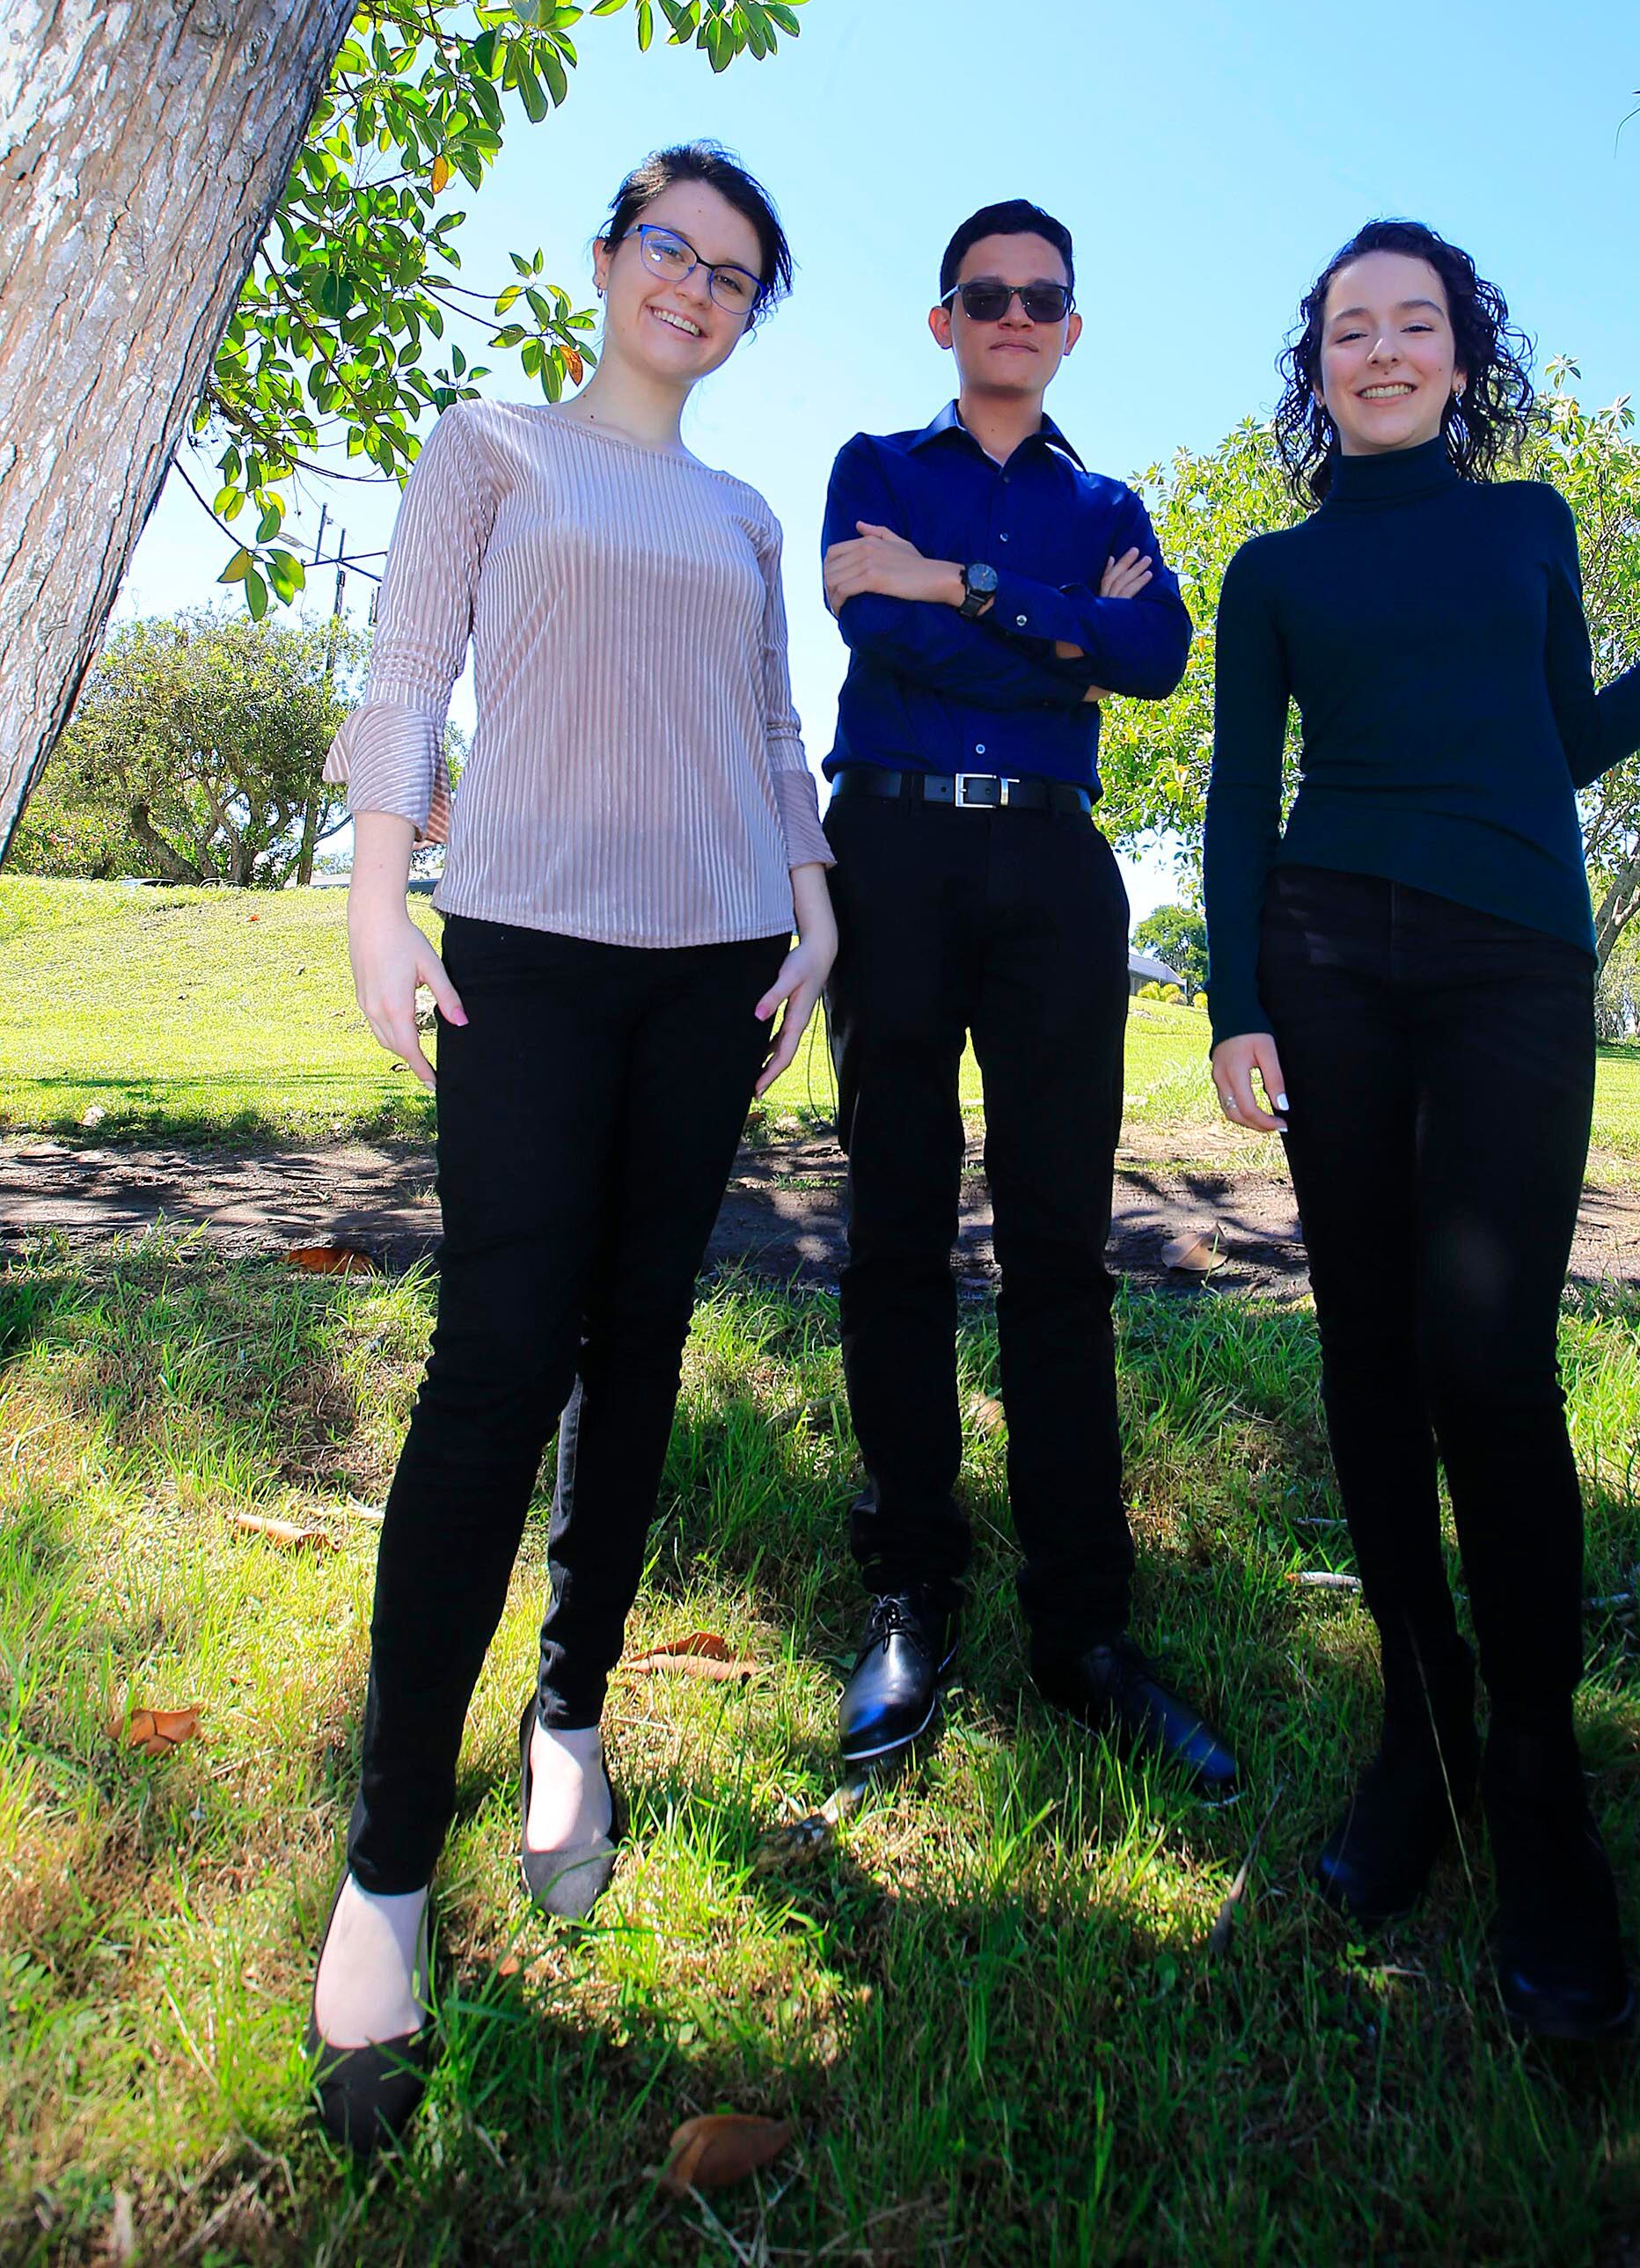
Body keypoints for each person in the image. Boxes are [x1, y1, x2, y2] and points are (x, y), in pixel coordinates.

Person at [306, 143, 836, 2150]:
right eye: (670, 248)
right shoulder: (490, 448)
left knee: (642, 1344)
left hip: (715, 966)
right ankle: (385, 1871)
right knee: (495, 1364)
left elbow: (773, 731)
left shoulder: (743, 515)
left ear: (748, 315)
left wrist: (814, 907)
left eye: (735, 273)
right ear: (609, 259)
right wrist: (378, 899)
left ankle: (574, 1714)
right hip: (523, 951)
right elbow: (404, 671)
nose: (695, 285)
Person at [1204, 217, 1640, 2039]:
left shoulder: (1529, 523)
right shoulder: (1274, 569)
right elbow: (1236, 795)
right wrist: (1232, 998)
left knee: (1492, 1366)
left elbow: (1564, 740)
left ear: (1460, 353)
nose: (1381, 352)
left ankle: (1537, 1781)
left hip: (1514, 957)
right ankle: (1418, 1727)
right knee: (1366, 1353)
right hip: (1326, 957)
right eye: (1348, 330)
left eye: (1413, 324)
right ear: (1319, 367)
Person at [819, 196, 1236, 1797]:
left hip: (1057, 873)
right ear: (943, 320)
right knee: (897, 1222)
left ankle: (1083, 1631)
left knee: (1061, 1244)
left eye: (1039, 298)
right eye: (983, 295)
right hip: (894, 854)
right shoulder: (874, 466)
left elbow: (1155, 658)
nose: (1012, 317)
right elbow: (879, 631)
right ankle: (908, 1591)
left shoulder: (1109, 501)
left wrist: (962, 587)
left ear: (1069, 328)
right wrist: (1058, 631)